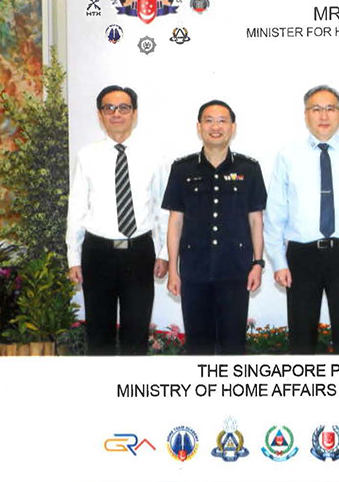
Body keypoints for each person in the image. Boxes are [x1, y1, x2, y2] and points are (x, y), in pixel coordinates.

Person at [264, 84, 339, 354]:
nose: (324, 116)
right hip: (301, 255)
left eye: (331, 109)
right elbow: (275, 213)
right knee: (301, 337)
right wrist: (279, 261)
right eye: (316, 109)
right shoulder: (288, 155)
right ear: (305, 115)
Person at [66, 85, 169, 355]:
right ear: (100, 115)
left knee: (136, 333)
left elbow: (162, 209)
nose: (116, 114)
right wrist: (73, 257)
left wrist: (165, 253)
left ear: (134, 113)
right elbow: (77, 208)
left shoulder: (153, 155)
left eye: (123, 107)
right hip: (97, 253)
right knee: (99, 335)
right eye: (109, 108)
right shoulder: (87, 156)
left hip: (139, 252)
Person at [162, 100, 266, 355]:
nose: (215, 127)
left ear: (233, 127)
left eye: (222, 121)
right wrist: (173, 270)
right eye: (209, 121)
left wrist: (258, 263)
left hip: (236, 269)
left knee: (233, 344)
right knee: (198, 345)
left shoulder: (249, 168)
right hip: (194, 270)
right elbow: (175, 221)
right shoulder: (182, 169)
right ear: (199, 127)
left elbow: (256, 220)